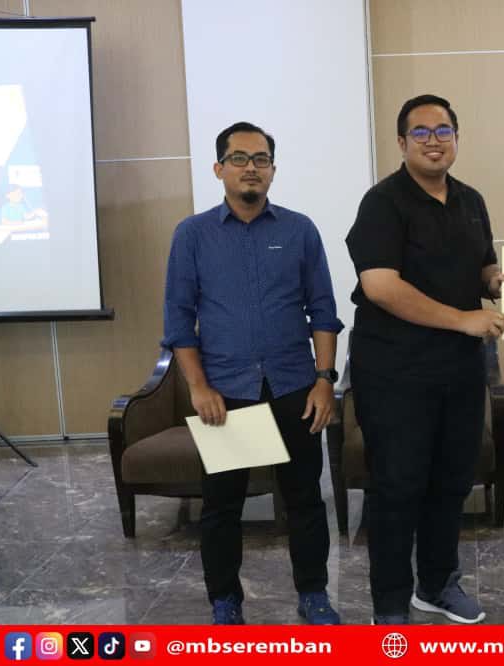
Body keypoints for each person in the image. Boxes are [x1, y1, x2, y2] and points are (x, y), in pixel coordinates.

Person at [162, 121, 343, 625]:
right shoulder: (193, 234)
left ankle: (314, 594)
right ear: (219, 169)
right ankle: (225, 601)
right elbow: (178, 318)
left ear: (273, 170)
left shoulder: (299, 230)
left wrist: (324, 381)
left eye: (260, 159)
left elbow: (323, 311)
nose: (250, 168)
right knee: (222, 507)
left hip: (294, 387)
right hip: (227, 391)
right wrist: (198, 387)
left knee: (305, 500)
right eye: (239, 159)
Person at [345, 94, 504, 625]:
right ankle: (391, 602)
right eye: (421, 132)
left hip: (458, 370)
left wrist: (500, 279)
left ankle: (436, 585)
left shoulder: (470, 200)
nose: (433, 141)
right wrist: (463, 319)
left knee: (452, 481)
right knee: (397, 487)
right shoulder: (382, 203)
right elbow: (381, 286)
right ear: (401, 142)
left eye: (443, 131)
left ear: (457, 138)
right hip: (395, 372)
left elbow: (482, 266)